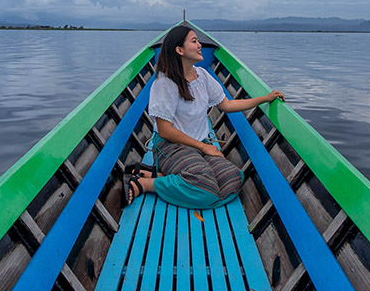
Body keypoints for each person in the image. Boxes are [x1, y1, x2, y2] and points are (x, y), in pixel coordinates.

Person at [122, 25, 285, 209]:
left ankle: (163, 177)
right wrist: (204, 147)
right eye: (194, 41)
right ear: (179, 50)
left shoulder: (203, 76)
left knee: (234, 179)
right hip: (172, 147)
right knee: (205, 188)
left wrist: (265, 98)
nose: (200, 45)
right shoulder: (165, 83)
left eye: (198, 41)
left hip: (200, 146)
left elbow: (227, 105)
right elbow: (165, 131)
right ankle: (144, 184)